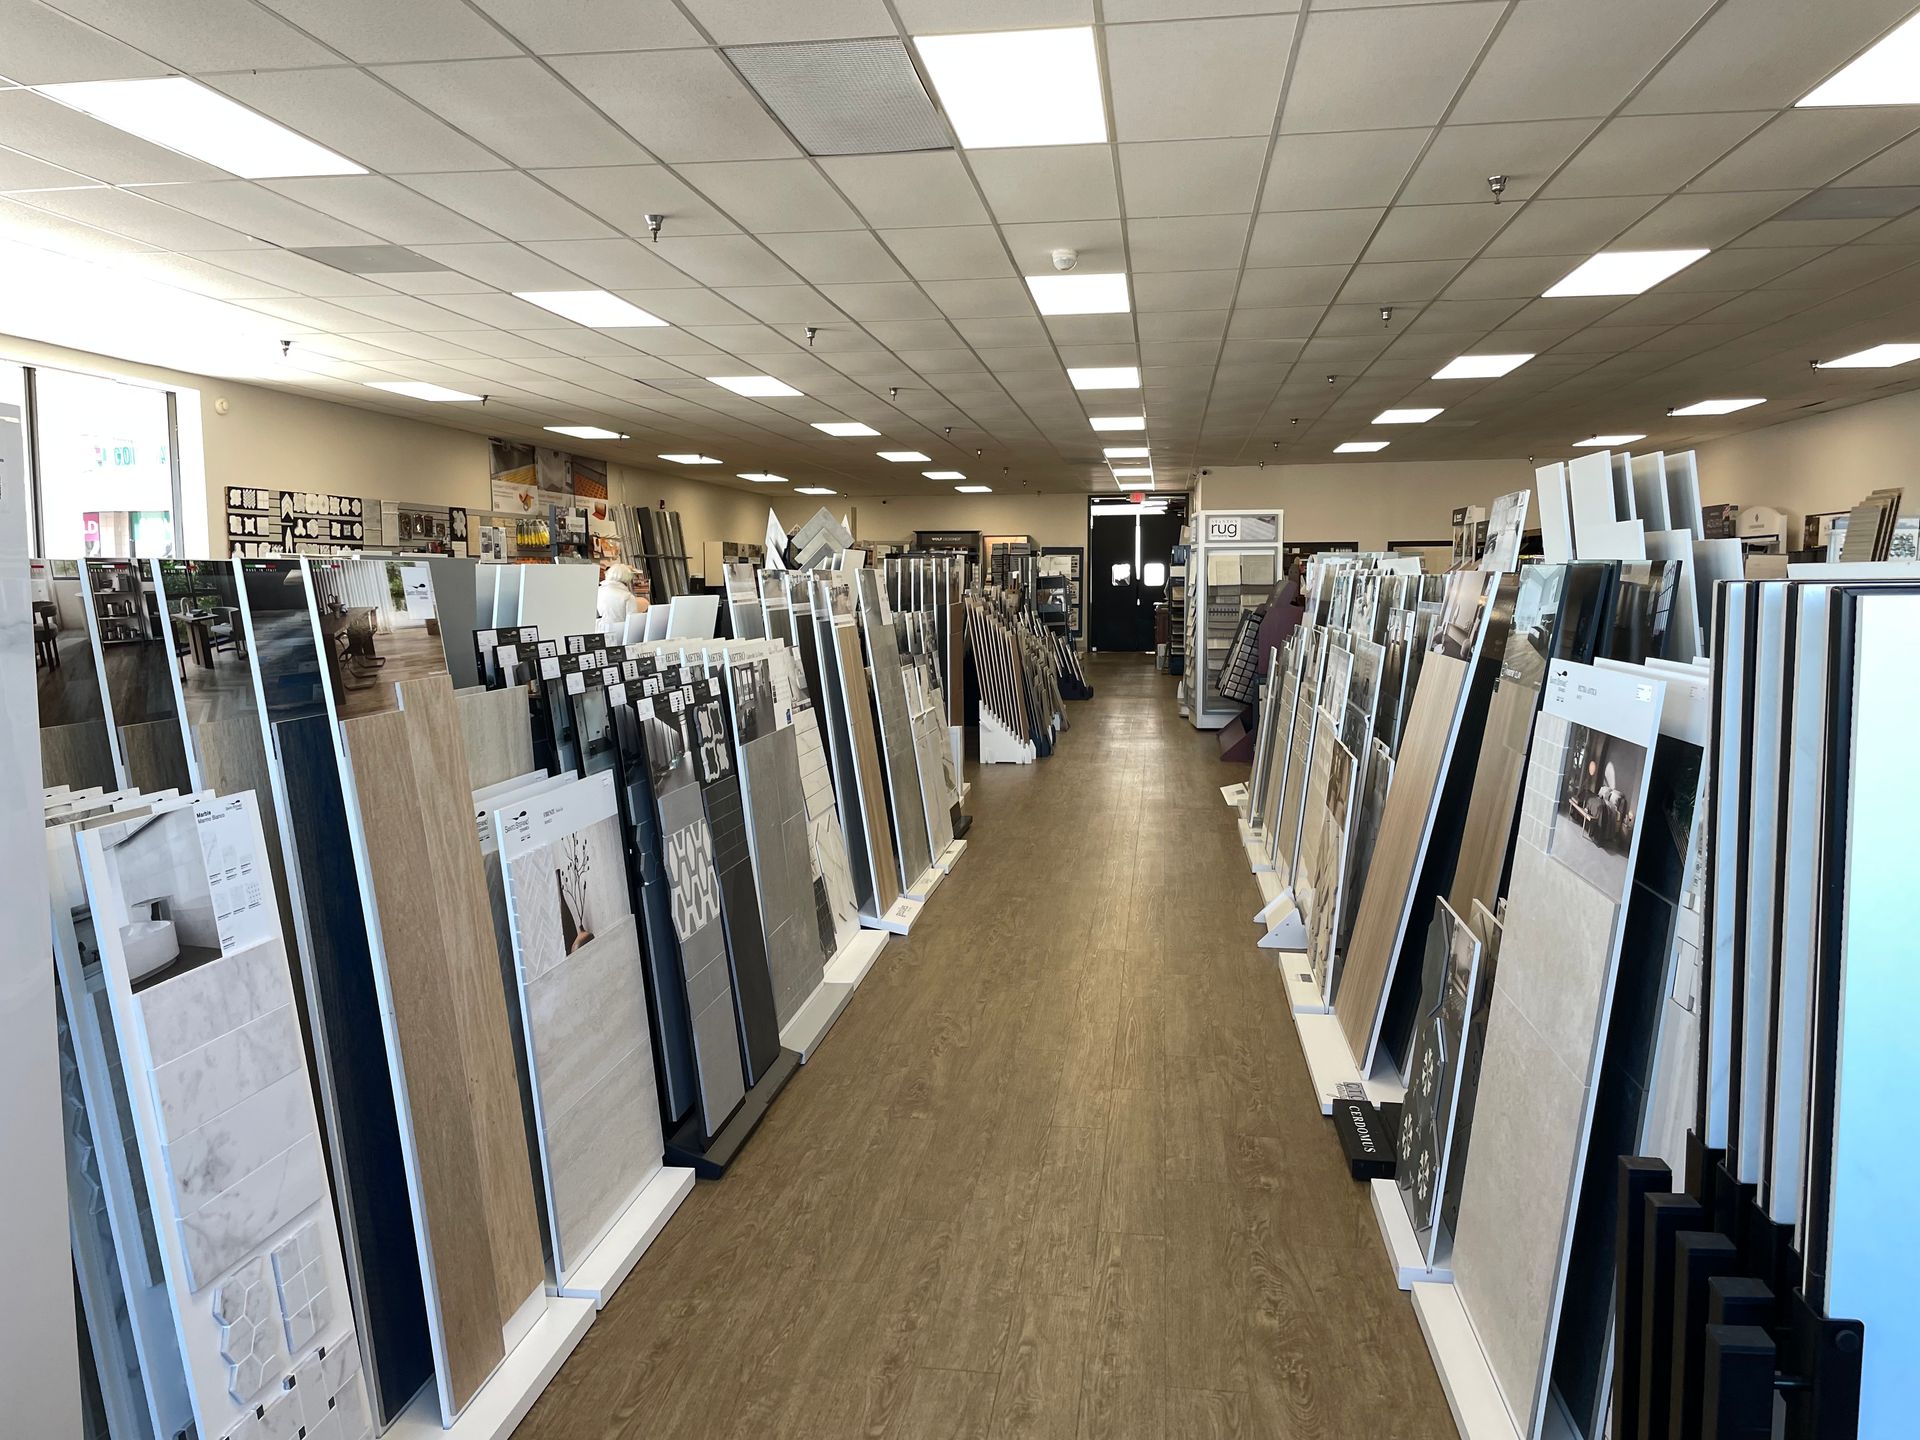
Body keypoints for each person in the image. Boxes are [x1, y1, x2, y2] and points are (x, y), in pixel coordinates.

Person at [597, 563, 645, 642]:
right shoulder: (627, 596)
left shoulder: (598, 592)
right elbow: (634, 624)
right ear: (627, 578)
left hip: (600, 636)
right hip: (621, 637)